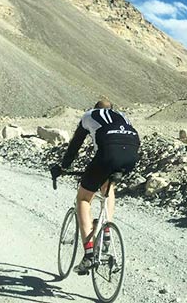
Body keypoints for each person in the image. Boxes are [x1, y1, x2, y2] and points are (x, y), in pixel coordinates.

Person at [51, 99, 140, 275]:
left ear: (95, 108)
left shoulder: (89, 115)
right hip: (131, 154)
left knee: (83, 199)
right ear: (112, 109)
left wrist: (63, 167)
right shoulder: (122, 116)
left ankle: (89, 254)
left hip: (108, 153)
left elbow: (75, 145)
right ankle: (106, 228)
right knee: (108, 186)